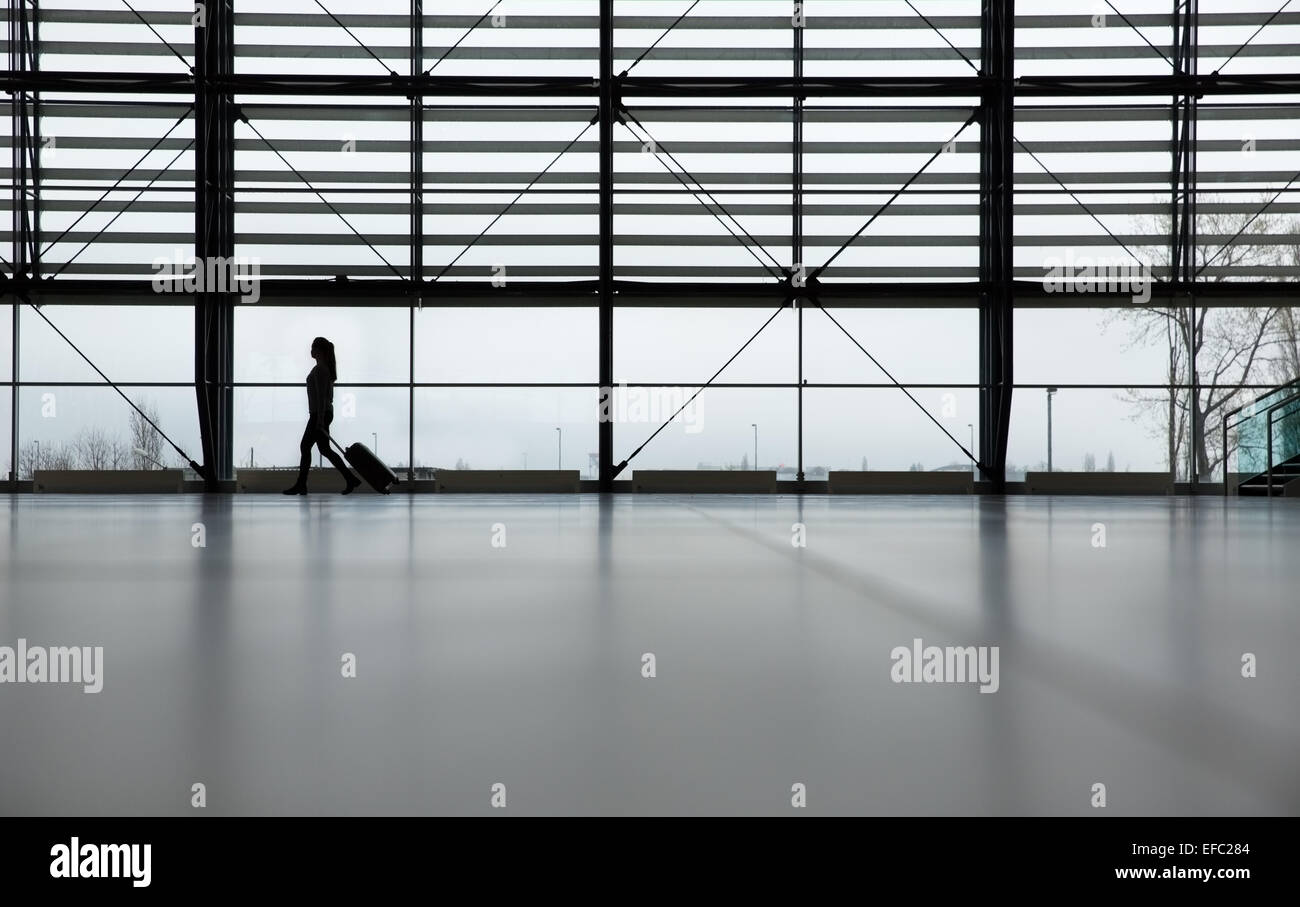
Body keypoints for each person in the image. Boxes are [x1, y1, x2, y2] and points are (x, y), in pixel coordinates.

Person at [282, 337, 360, 495]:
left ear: (321, 351)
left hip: (320, 414)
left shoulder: (320, 370)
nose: (311, 350)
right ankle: (350, 479)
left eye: (313, 348)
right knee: (325, 450)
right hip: (322, 414)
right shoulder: (323, 369)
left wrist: (319, 420)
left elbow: (321, 396)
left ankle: (301, 485)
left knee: (305, 446)